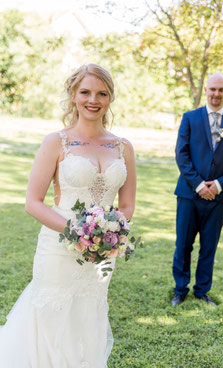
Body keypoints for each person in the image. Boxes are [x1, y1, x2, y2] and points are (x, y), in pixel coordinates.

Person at [0, 63, 136, 367]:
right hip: (58, 248)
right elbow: (33, 202)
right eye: (85, 92)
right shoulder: (56, 142)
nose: (93, 100)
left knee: (89, 316)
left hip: (103, 253)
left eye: (102, 93)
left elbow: (126, 205)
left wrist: (107, 236)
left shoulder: (123, 147)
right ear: (73, 95)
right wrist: (80, 234)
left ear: (110, 98)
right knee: (51, 318)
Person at [171, 72, 223, 307]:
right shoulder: (190, 118)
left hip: (220, 197)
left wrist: (219, 184)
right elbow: (181, 154)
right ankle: (180, 289)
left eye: (221, 90)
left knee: (209, 246)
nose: (216, 94)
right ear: (206, 90)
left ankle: (202, 290)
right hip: (189, 193)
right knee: (183, 244)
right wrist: (200, 185)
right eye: (212, 89)